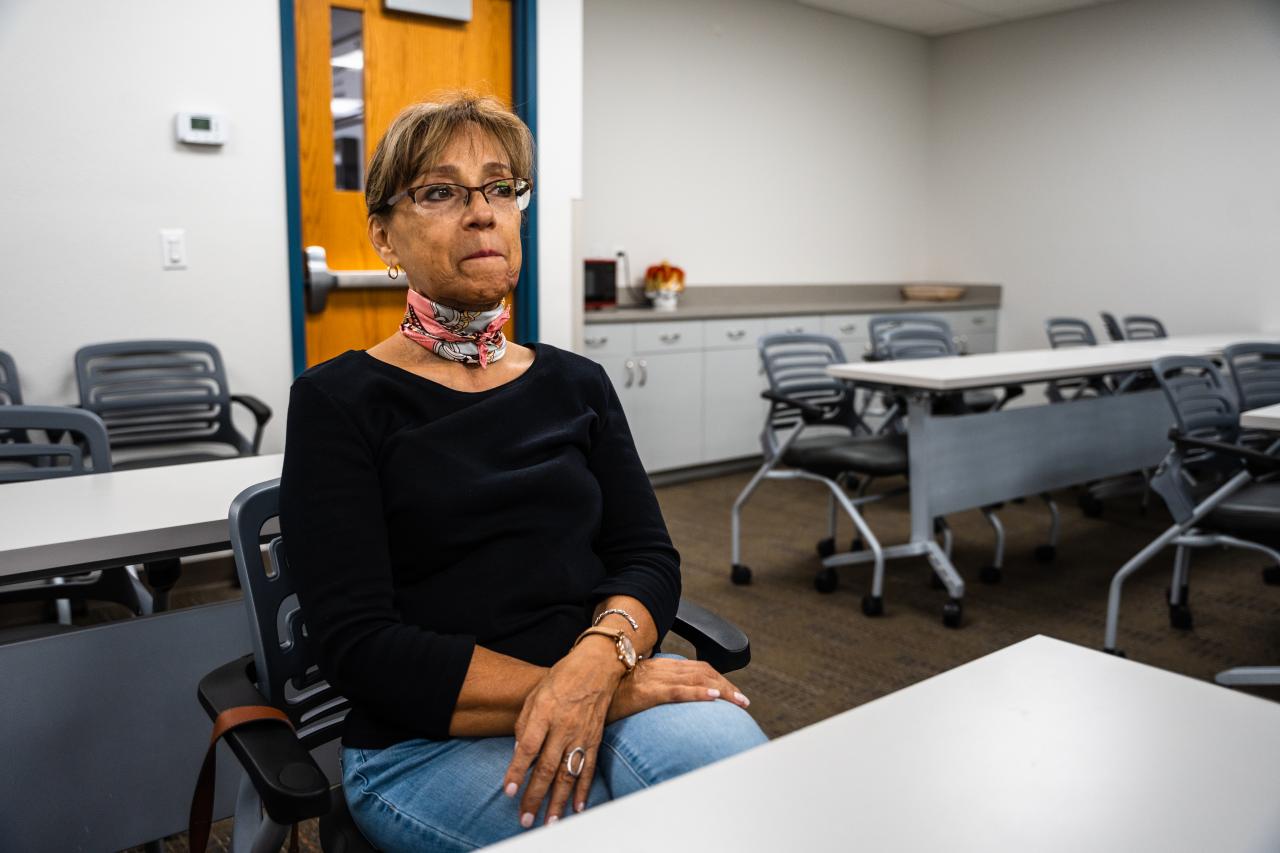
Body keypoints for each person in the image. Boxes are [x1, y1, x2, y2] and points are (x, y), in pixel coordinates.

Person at [279, 93, 766, 852]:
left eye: (501, 188)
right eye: (441, 191)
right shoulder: (337, 401)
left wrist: (598, 666)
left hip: (604, 677)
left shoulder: (577, 383)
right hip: (430, 737)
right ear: (383, 235)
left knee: (743, 800)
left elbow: (646, 557)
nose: (482, 213)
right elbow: (361, 644)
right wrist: (605, 683)